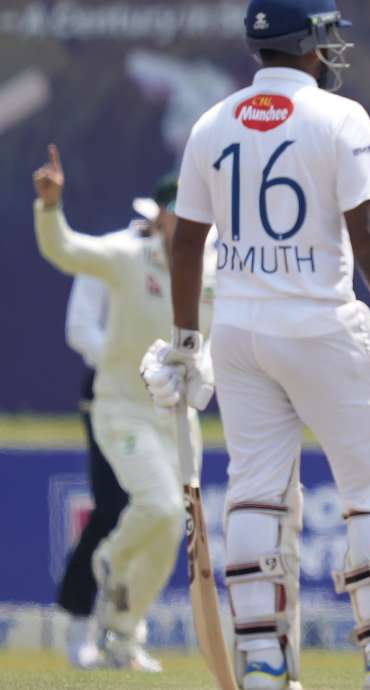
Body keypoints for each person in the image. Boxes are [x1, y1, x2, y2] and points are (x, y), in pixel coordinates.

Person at [138, 1, 370, 688]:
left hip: (242, 333)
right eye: (328, 36)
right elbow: (367, 232)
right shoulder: (342, 118)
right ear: (308, 44)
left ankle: (264, 666)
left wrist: (188, 344)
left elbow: (187, 241)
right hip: (320, 327)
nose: (334, 48)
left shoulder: (211, 124)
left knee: (255, 496)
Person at [32, 153, 214, 672]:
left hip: (177, 418)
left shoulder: (214, 270)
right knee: (155, 508)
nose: (187, 220)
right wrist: (51, 207)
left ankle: (124, 634)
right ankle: (108, 558)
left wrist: (205, 374)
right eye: (178, 210)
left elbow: (218, 341)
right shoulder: (127, 256)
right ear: (158, 215)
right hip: (121, 409)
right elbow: (64, 249)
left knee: (170, 525)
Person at [56, 187, 167, 668]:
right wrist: (129, 363)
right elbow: (81, 328)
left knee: (158, 513)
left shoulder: (186, 261)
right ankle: (79, 625)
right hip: (110, 391)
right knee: (111, 508)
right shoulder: (113, 254)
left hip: (161, 399)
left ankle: (123, 633)